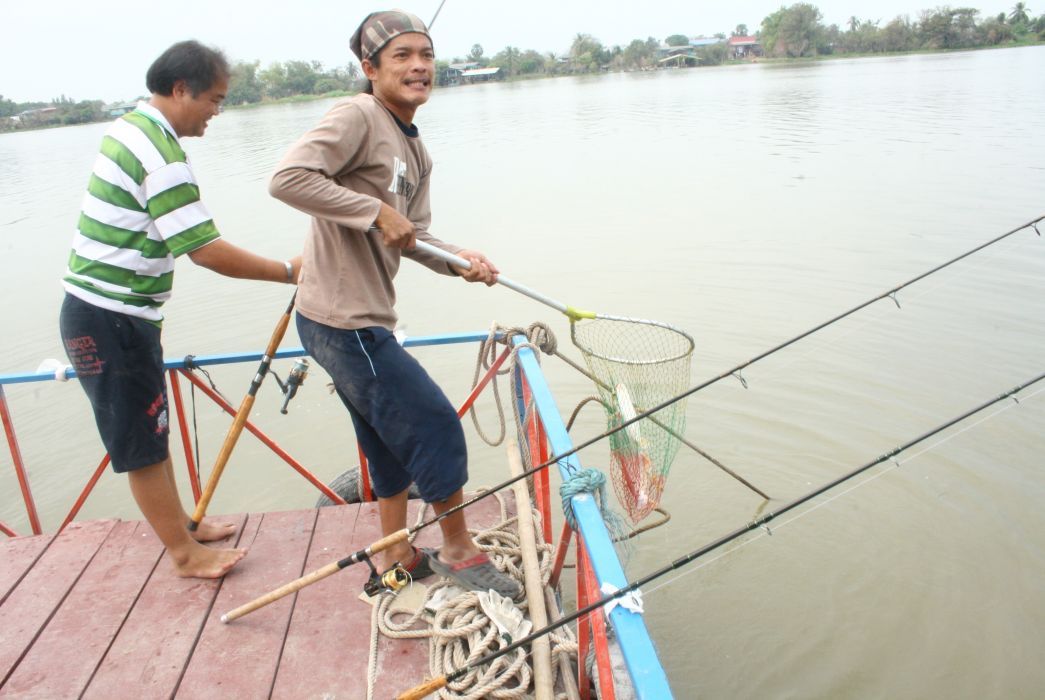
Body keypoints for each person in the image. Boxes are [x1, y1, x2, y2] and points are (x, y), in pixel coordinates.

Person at [269, 10, 521, 599]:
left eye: (425, 56)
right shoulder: (358, 115)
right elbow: (287, 178)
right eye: (402, 56)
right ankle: (458, 551)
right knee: (433, 423)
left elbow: (415, 235)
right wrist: (373, 210)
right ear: (369, 68)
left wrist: (462, 261)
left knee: (385, 439)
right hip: (340, 318)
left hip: (357, 318)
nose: (418, 67)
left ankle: (394, 555)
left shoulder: (415, 147)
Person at [59, 40, 302, 579]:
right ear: (180, 90)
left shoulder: (130, 127)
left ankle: (184, 526)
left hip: (117, 314)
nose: (217, 112)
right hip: (109, 318)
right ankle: (184, 555)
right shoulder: (161, 156)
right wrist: (288, 270)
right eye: (214, 100)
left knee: (153, 428)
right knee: (139, 443)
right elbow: (206, 251)